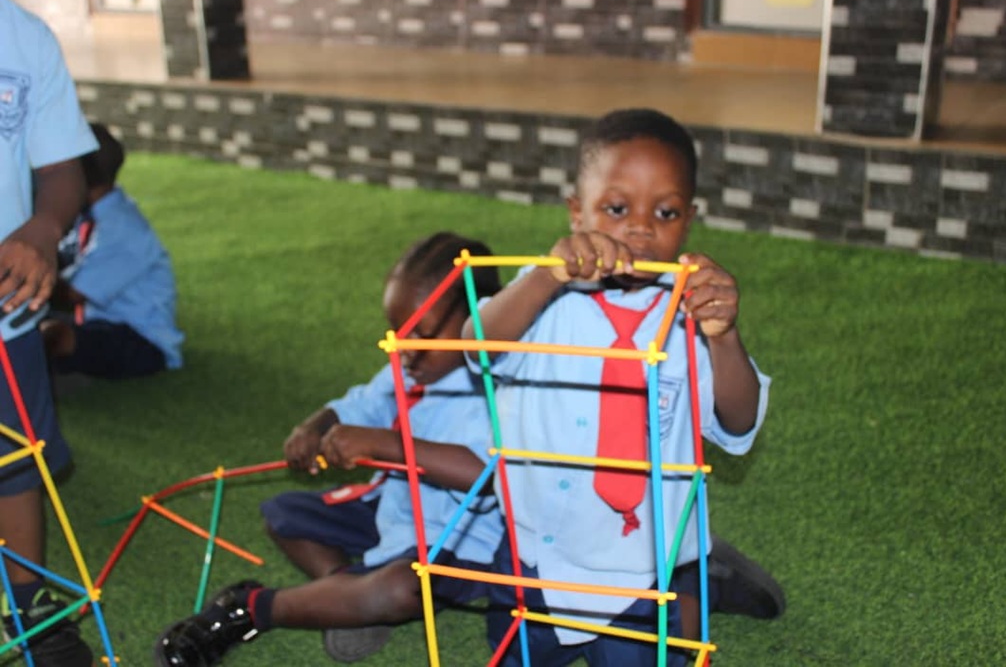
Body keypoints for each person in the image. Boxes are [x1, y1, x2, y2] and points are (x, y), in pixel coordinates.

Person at [463, 108, 780, 665]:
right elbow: (475, 345)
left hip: (642, 563)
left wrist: (725, 336)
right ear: (576, 211)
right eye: (616, 208)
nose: (640, 227)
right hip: (536, 549)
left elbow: (737, 421)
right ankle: (705, 576)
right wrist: (544, 275)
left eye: (665, 211)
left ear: (689, 220)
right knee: (516, 653)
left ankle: (698, 577)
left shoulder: (690, 314)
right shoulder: (543, 296)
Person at [154, 232, 507, 665]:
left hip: (457, 541)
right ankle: (344, 595)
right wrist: (317, 424)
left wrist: (388, 444)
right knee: (285, 514)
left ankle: (252, 608)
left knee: (404, 589)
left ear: (481, 314)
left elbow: (487, 476)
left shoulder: (500, 382)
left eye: (421, 335)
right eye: (396, 335)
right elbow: (362, 403)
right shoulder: (413, 364)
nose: (404, 350)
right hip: (394, 510)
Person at [0, 0, 98, 667]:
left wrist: (40, 229)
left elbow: (62, 169)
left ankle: (26, 608)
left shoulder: (24, 37)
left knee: (16, 465)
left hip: (5, 313)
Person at [40, 122, 184, 380]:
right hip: (95, 321)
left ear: (77, 177)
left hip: (140, 339)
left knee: (53, 331)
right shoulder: (87, 215)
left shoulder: (123, 229)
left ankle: (29, 376)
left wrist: (26, 276)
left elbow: (73, 295)